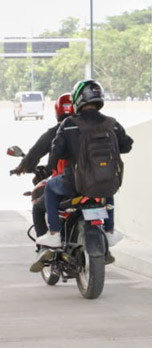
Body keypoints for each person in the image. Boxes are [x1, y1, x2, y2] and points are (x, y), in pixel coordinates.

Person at [36, 80, 132, 253]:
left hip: (75, 182)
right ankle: (109, 230)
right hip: (107, 182)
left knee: (50, 187)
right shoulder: (112, 123)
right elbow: (126, 146)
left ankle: (54, 233)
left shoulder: (69, 124)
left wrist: (49, 168)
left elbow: (56, 152)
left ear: (78, 99)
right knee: (106, 183)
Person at [11, 92, 72, 268]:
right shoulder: (88, 128)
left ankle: (45, 248)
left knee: (39, 207)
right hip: (91, 182)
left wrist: (21, 168)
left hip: (65, 182)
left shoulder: (56, 132)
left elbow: (35, 153)